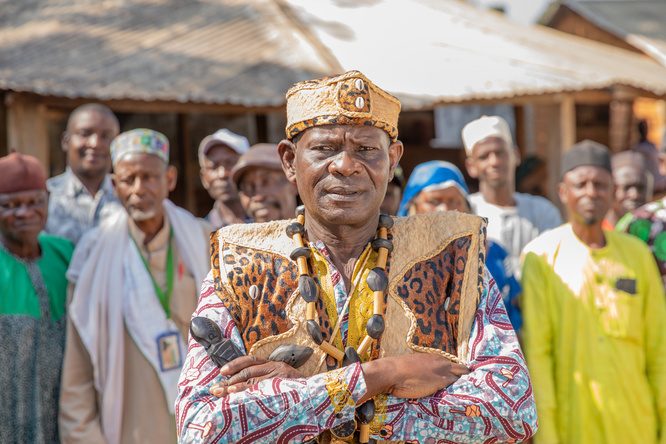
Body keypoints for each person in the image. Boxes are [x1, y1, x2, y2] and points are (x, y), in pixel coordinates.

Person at [176, 71, 536, 443]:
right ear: (289, 160)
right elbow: (202, 427)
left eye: (366, 149)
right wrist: (383, 375)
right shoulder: (243, 265)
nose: (345, 165)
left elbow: (512, 410)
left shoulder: (449, 256)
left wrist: (305, 401)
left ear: (392, 159)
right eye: (325, 149)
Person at [59, 129, 212, 444]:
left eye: (149, 177)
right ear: (115, 186)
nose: (139, 189)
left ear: (170, 179)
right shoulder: (93, 253)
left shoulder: (203, 240)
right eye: (129, 180)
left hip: (201, 419)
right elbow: (79, 365)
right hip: (129, 425)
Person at [521, 140, 666, 444]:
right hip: (573, 425)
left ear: (612, 191)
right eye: (581, 184)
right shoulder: (541, 256)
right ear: (563, 191)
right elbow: (538, 355)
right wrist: (547, 436)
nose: (590, 192)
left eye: (600, 184)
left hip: (636, 424)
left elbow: (658, 349)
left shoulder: (637, 255)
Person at [398, 160, 523, 333]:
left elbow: (513, 321)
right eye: (434, 201)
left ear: (466, 206)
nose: (444, 209)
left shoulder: (491, 252)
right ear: (413, 205)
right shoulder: (396, 257)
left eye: (453, 201)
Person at [0, 153, 74, 444]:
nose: (24, 213)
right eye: (10, 205)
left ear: (48, 201)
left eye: (34, 202)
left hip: (63, 414)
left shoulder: (66, 254)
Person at [463, 115, 562, 274]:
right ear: (471, 166)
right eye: (484, 156)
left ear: (516, 155)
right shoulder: (465, 213)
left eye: (500, 152)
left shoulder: (543, 212)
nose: (494, 162)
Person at [45, 103, 122, 244]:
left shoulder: (127, 198)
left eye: (106, 136)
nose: (95, 143)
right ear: (66, 141)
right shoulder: (45, 197)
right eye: (84, 134)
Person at [229, 143, 298, 222]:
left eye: (268, 182)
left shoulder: (314, 232)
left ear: (295, 185)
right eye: (247, 187)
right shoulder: (231, 234)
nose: (259, 197)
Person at [199, 129, 250, 228]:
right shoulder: (202, 234)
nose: (222, 174)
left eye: (230, 163)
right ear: (204, 178)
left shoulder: (271, 221)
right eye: (214, 166)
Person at [604, 151, 653, 229]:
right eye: (626, 187)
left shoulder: (657, 234)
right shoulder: (596, 233)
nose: (635, 195)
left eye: (641, 188)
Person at [632, 119, 666, 196]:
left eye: (646, 128)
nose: (645, 130)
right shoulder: (638, 148)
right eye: (643, 128)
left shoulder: (651, 146)